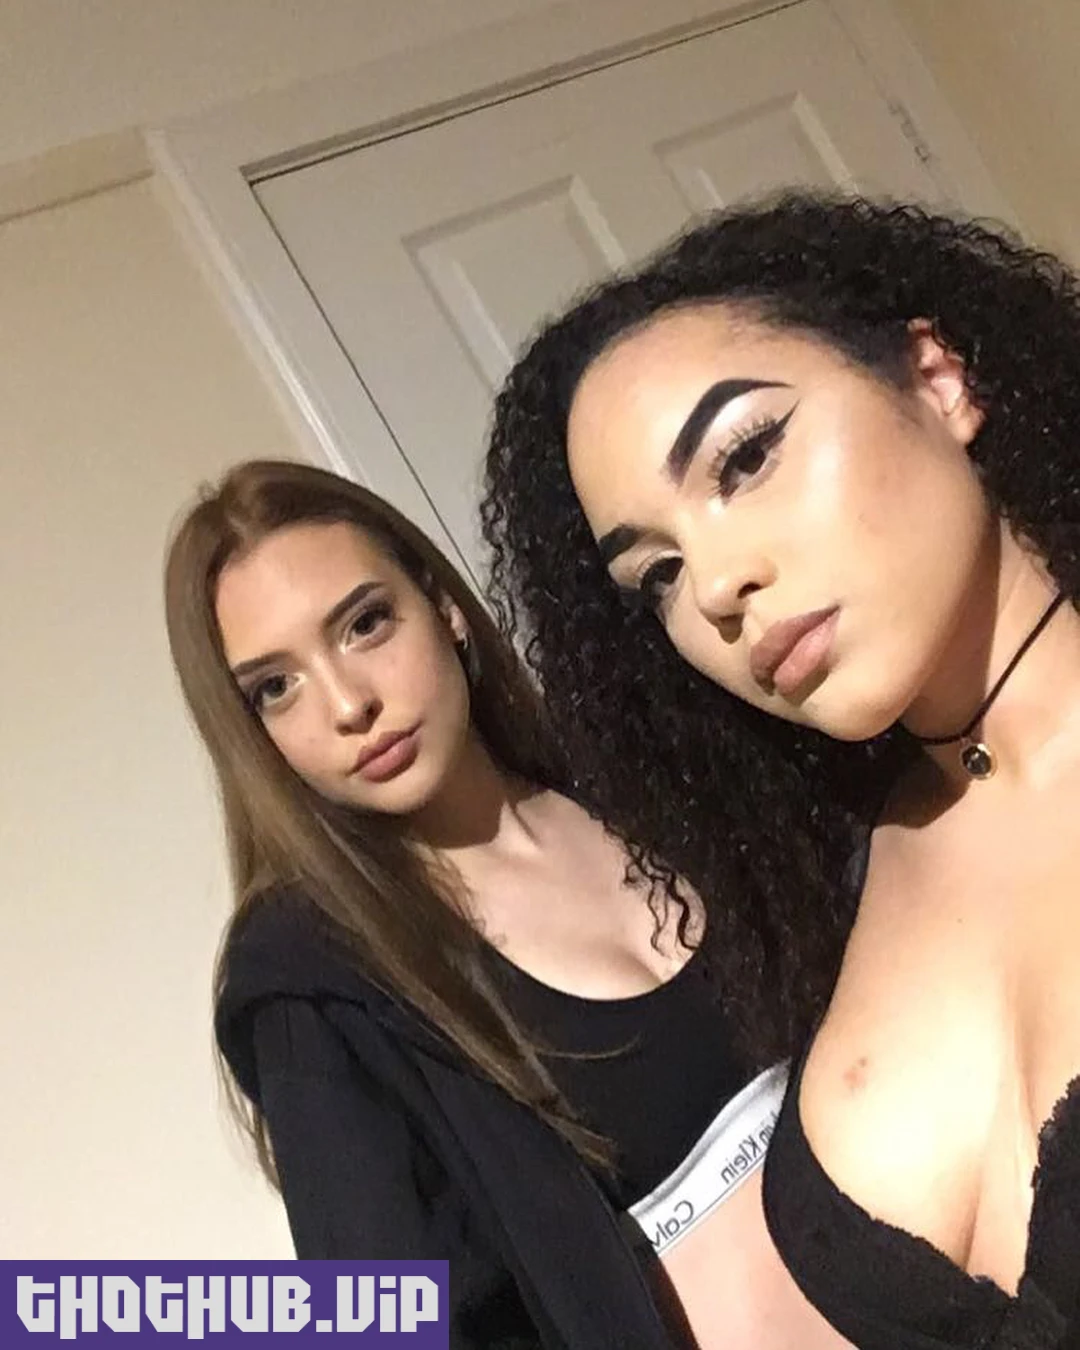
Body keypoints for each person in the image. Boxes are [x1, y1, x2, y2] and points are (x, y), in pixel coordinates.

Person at [480, 192, 1080, 1349]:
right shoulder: (835, 880)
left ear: (938, 380)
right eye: (655, 576)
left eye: (746, 457)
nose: (714, 587)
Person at [163, 458, 848, 1349]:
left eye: (365, 624)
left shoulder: (638, 776)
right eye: (275, 688)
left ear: (443, 608)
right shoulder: (314, 977)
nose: (348, 704)